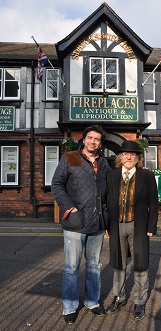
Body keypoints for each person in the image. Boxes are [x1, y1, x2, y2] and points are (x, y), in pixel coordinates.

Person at [51, 125, 111, 324]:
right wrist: (70, 208)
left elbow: (111, 187)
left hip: (97, 224)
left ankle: (92, 301)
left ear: (100, 143)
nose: (93, 141)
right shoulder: (70, 158)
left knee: (94, 265)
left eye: (97, 139)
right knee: (71, 267)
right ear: (84, 139)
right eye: (90, 138)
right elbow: (57, 185)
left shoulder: (103, 163)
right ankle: (69, 306)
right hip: (75, 223)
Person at [105, 140, 158, 320]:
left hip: (139, 225)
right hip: (116, 225)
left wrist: (151, 226)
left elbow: (153, 203)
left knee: (140, 264)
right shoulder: (112, 175)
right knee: (118, 264)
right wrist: (107, 226)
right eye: (126, 154)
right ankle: (118, 297)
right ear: (120, 157)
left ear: (137, 158)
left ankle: (139, 301)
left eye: (133, 154)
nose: (129, 157)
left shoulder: (147, 175)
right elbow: (107, 202)